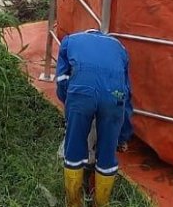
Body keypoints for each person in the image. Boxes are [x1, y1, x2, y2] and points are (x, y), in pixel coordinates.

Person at [56, 29, 134, 207]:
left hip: (81, 94)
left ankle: (74, 203)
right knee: (107, 155)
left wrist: (70, 105)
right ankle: (100, 203)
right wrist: (122, 137)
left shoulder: (70, 41)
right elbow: (127, 97)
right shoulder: (120, 48)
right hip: (114, 96)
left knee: (74, 150)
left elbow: (61, 80)